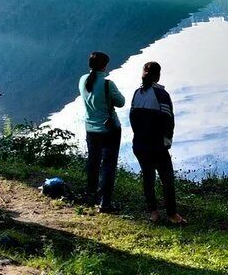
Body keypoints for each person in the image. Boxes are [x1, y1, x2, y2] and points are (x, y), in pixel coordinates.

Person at [130, 61, 186, 225]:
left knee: (148, 178)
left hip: (139, 144)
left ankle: (153, 213)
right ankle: (172, 214)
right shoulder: (161, 94)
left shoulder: (137, 93)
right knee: (167, 179)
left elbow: (132, 119)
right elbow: (168, 120)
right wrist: (167, 141)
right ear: (158, 75)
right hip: (156, 145)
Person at [80, 50, 125, 213]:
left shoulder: (83, 80)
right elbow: (121, 102)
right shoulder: (108, 84)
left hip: (90, 128)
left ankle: (91, 195)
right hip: (109, 130)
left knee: (93, 162)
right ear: (104, 66)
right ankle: (105, 203)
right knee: (108, 165)